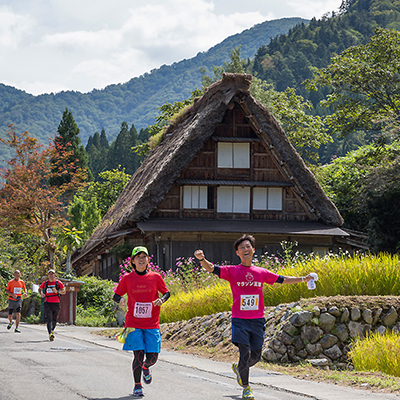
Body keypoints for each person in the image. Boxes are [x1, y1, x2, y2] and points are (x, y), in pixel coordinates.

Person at [194, 234, 315, 400]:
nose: (245, 249)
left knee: (256, 356)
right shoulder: (232, 271)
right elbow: (211, 268)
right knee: (244, 352)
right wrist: (202, 259)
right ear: (237, 252)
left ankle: (239, 368)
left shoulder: (261, 272)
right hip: (240, 320)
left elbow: (282, 279)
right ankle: (246, 388)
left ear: (253, 250)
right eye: (242, 247)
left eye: (248, 247)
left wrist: (304, 279)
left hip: (258, 320)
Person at [113, 246, 170, 398]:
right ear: (132, 261)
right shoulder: (127, 279)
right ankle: (137, 386)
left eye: (144, 256)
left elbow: (166, 293)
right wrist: (121, 299)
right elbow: (116, 295)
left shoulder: (156, 277)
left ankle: (146, 367)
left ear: (147, 260)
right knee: (138, 355)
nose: (141, 259)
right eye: (138, 257)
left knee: (153, 357)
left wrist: (161, 300)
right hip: (133, 323)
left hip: (152, 323)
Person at [39, 269, 66, 341]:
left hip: (56, 303)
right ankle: (50, 333)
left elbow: (64, 291)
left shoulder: (58, 283)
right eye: (49, 274)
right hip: (47, 302)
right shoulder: (45, 283)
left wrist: (57, 291)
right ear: (47, 275)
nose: (51, 275)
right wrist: (41, 293)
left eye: (52, 274)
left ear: (55, 275)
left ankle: (52, 330)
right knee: (49, 318)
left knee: (54, 319)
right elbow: (40, 288)